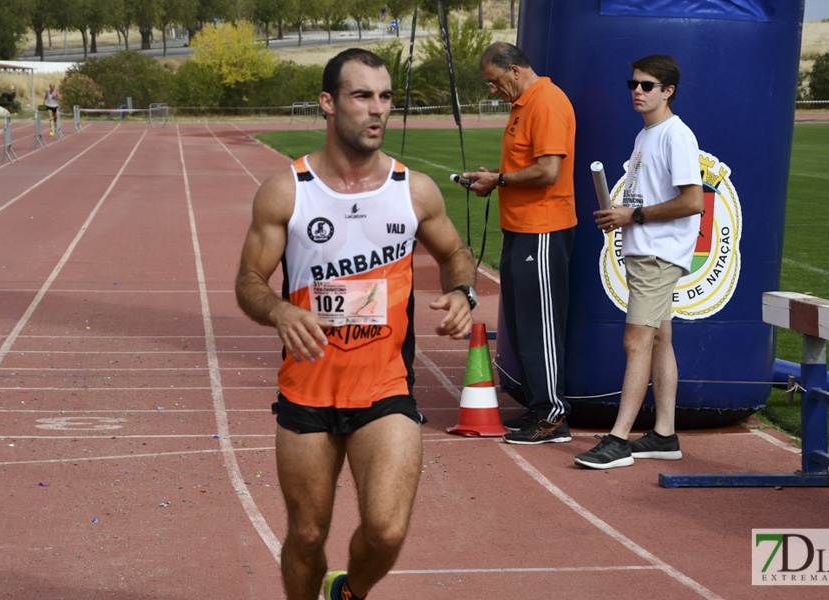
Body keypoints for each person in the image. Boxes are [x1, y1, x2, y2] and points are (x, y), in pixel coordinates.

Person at [235, 48, 478, 600]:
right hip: (308, 391)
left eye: (386, 97)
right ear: (328, 103)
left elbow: (455, 252)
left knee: (387, 529)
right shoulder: (287, 192)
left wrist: (462, 291)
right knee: (306, 535)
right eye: (362, 95)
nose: (378, 110)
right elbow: (248, 280)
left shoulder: (412, 191)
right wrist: (279, 309)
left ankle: (349, 590)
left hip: (384, 387)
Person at [575, 55, 704, 470]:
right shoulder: (645, 135)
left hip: (658, 254)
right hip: (646, 249)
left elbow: (693, 201)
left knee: (636, 341)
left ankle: (617, 439)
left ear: (668, 91)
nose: (637, 91)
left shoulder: (675, 135)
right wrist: (621, 213)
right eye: (632, 84)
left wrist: (634, 216)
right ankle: (664, 435)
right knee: (660, 339)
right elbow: (647, 198)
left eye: (647, 85)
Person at [459, 42, 577, 445]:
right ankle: (539, 407)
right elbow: (526, 167)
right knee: (524, 323)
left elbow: (548, 171)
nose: (493, 90)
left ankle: (553, 415)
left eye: (493, 82)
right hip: (521, 227)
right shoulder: (523, 104)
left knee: (539, 324)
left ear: (513, 70)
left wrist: (501, 180)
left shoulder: (545, 102)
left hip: (542, 228)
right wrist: (494, 178)